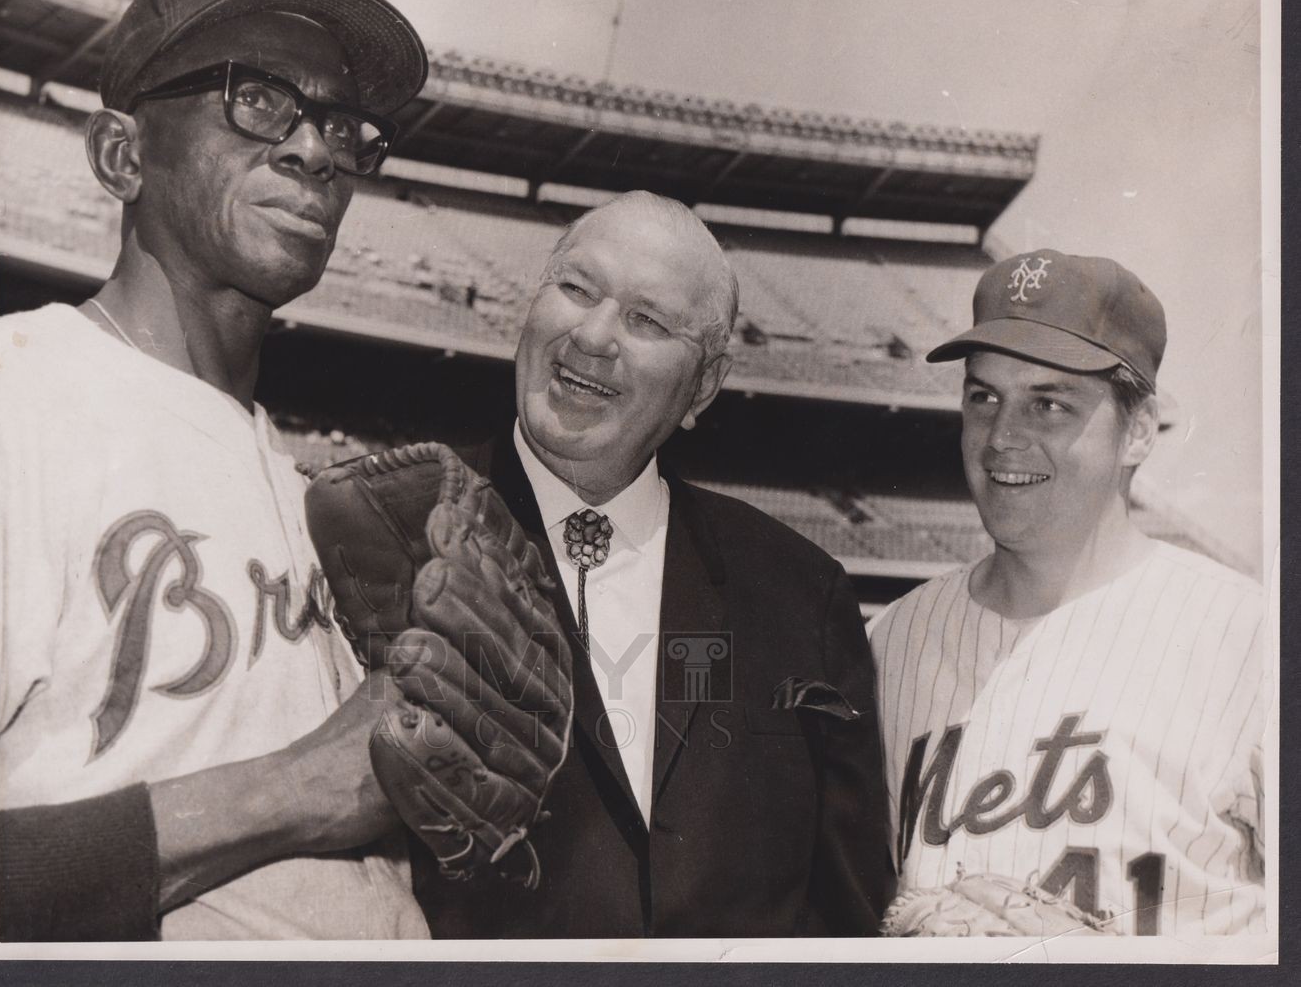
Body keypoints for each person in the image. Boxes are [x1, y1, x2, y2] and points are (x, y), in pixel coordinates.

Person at [0, 0, 434, 941]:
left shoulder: (307, 486)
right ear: (122, 156)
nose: (317, 151)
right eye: (261, 99)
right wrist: (300, 788)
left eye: (343, 127)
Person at [411, 191, 895, 937]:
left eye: (647, 320)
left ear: (703, 384)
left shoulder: (801, 595)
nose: (594, 335)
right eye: (575, 288)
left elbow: (851, 922)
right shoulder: (395, 531)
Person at [868, 249, 1268, 936]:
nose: (1002, 437)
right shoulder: (889, 642)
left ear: (1138, 431)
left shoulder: (1251, 637)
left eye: (1049, 403)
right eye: (983, 396)